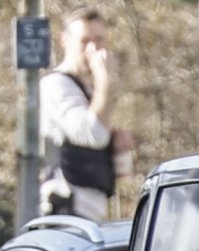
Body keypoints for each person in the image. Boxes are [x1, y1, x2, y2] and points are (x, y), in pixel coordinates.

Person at [41, 7, 120, 220]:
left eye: (99, 40)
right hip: (65, 212)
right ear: (65, 40)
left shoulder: (86, 90)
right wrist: (106, 83)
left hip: (89, 213)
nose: (93, 48)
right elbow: (92, 133)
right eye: (85, 41)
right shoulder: (56, 85)